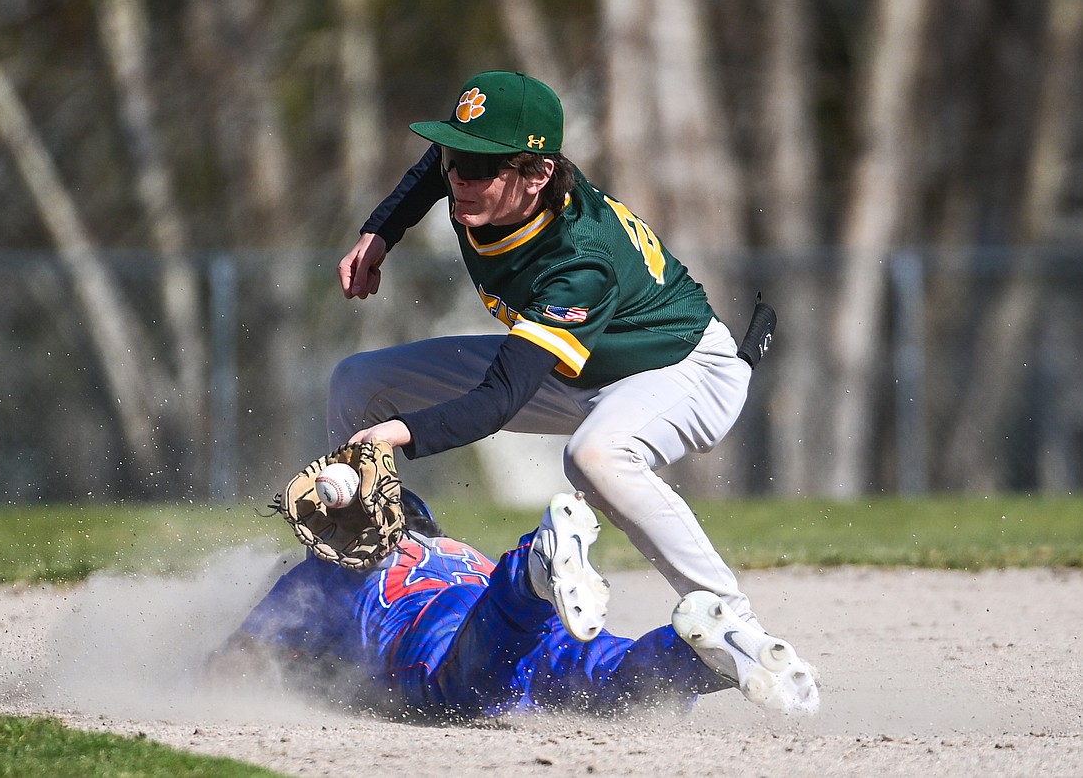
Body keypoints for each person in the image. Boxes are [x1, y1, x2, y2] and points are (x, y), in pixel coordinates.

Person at [329, 70, 815, 688]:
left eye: (478, 166)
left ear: (536, 175)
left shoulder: (577, 261)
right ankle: (377, 571)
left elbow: (497, 401)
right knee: (357, 384)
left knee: (594, 456)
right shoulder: (484, 188)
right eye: (457, 156)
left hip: (681, 368)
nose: (458, 177)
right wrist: (381, 231)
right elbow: (436, 164)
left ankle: (730, 618)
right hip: (579, 365)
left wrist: (388, 439)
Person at [212, 490, 819, 716]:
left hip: (441, 632)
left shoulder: (322, 575)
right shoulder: (453, 549)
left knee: (462, 693)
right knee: (607, 683)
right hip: (506, 612)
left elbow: (231, 669)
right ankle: (696, 656)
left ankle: (533, 567)